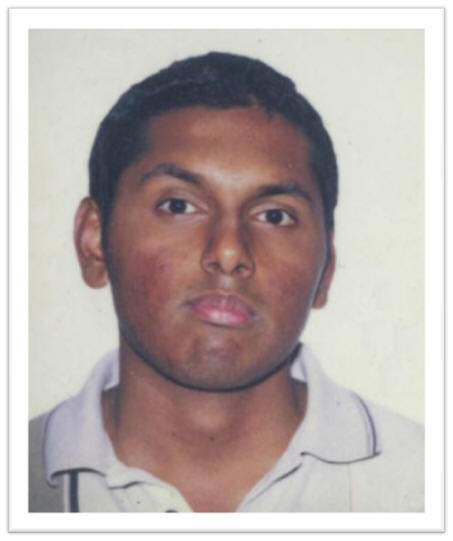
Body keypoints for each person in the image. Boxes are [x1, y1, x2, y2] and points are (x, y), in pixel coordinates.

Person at [29, 51, 423, 513]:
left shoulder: (426, 485)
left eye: (274, 216)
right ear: (94, 241)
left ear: (326, 269)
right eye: (178, 206)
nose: (230, 251)